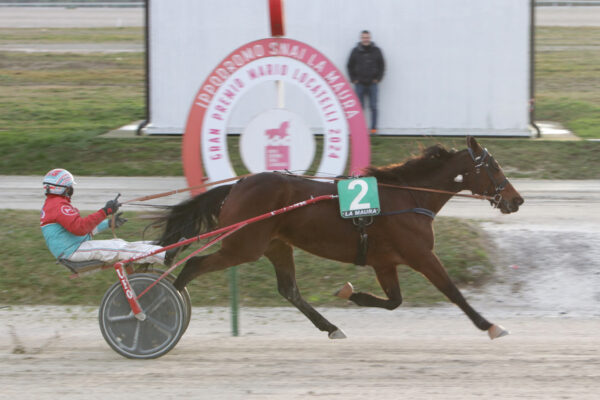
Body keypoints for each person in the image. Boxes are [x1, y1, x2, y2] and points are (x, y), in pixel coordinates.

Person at [40, 168, 168, 266]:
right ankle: (164, 255)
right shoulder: (58, 206)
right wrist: (105, 211)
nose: (72, 191)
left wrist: (108, 223)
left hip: (73, 247)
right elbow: (81, 228)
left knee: (119, 244)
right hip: (72, 250)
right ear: (63, 189)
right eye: (70, 188)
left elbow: (81, 231)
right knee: (117, 248)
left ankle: (161, 247)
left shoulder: (52, 205)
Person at [347, 30, 385, 135]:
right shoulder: (355, 51)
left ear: (370, 38)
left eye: (367, 37)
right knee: (359, 108)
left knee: (373, 106)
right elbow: (349, 65)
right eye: (364, 37)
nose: (365, 39)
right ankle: (359, 129)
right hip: (359, 84)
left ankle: (373, 129)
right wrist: (353, 79)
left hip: (373, 83)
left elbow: (382, 65)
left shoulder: (377, 51)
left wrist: (378, 78)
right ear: (361, 38)